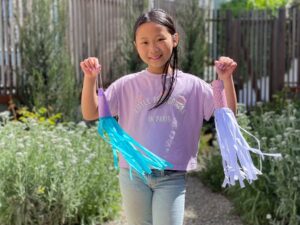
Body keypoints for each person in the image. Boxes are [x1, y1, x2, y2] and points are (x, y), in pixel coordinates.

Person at [80, 8, 237, 225]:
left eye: (160, 39)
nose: (152, 48)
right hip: (133, 175)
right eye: (144, 42)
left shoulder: (192, 85)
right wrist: (90, 79)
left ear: (174, 39)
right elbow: (91, 112)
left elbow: (227, 114)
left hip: (171, 177)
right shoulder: (126, 85)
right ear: (135, 46)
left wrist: (226, 80)